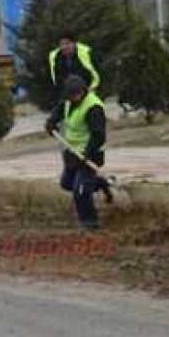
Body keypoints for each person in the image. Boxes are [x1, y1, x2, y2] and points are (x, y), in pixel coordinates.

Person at [45, 75, 112, 231]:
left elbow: (99, 136)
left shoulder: (93, 108)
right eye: (70, 96)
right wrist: (51, 122)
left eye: (75, 95)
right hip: (72, 152)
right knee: (66, 183)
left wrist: (87, 154)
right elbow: (60, 109)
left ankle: (89, 223)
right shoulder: (69, 101)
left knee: (80, 190)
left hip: (90, 154)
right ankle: (102, 183)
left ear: (83, 91)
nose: (73, 98)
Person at [48, 33, 100, 104]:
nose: (64, 47)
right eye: (61, 45)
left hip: (89, 92)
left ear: (74, 43)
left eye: (67, 44)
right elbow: (57, 81)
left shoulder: (86, 52)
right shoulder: (55, 58)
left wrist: (91, 90)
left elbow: (98, 74)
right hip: (68, 96)